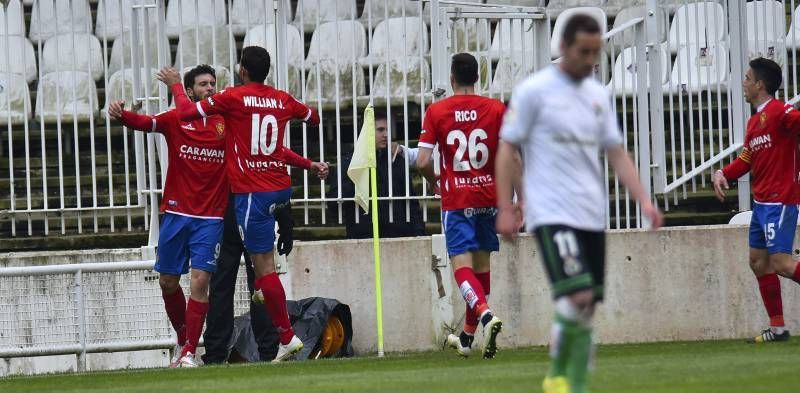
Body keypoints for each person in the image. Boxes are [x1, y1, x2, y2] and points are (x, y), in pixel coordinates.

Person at [494, 15, 663, 393]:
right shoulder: (534, 92)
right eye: (584, 52)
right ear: (565, 48)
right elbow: (507, 149)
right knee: (580, 293)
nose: (591, 60)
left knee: (586, 307)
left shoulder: (597, 95)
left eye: (596, 53)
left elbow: (617, 153)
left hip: (591, 213)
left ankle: (574, 380)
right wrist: (506, 206)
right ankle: (559, 377)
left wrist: (644, 201)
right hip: (551, 212)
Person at [158, 46, 328, 362]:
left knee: (256, 272)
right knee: (259, 273)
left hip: (250, 195)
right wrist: (308, 162)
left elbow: (184, 113)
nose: (209, 88)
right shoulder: (281, 98)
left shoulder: (232, 100)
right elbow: (312, 118)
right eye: (203, 83)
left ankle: (284, 337)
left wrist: (175, 86)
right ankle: (276, 339)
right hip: (279, 189)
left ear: (241, 70)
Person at [108, 64, 226, 368]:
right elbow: (145, 123)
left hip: (210, 218)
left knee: (200, 282)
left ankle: (189, 352)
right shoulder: (175, 119)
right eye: (203, 84)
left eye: (213, 83)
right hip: (175, 213)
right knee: (168, 283)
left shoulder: (224, 120)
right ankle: (183, 339)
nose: (210, 88)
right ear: (189, 90)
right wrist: (122, 116)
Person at [416, 53, 506, 359]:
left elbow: (424, 160)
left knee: (461, 268)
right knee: (481, 270)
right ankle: (467, 338)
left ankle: (484, 314)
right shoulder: (496, 109)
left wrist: (433, 180)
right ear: (477, 78)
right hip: (488, 197)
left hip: (457, 199)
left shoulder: (437, 111)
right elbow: (511, 157)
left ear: (452, 79)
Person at [713, 57, 800, 344]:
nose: (744, 82)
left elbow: (795, 121)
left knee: (783, 264)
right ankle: (778, 329)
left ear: (760, 85)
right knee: (758, 261)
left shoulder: (779, 112)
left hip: (781, 200)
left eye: (748, 78)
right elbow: (747, 159)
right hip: (761, 204)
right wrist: (723, 173)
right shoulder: (753, 123)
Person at [327, 108, 426, 239]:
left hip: (397, 235)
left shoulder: (396, 161)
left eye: (387, 129)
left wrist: (419, 234)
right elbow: (334, 202)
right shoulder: (350, 163)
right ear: (367, 132)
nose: (386, 134)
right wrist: (359, 178)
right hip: (363, 236)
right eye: (380, 130)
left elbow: (411, 201)